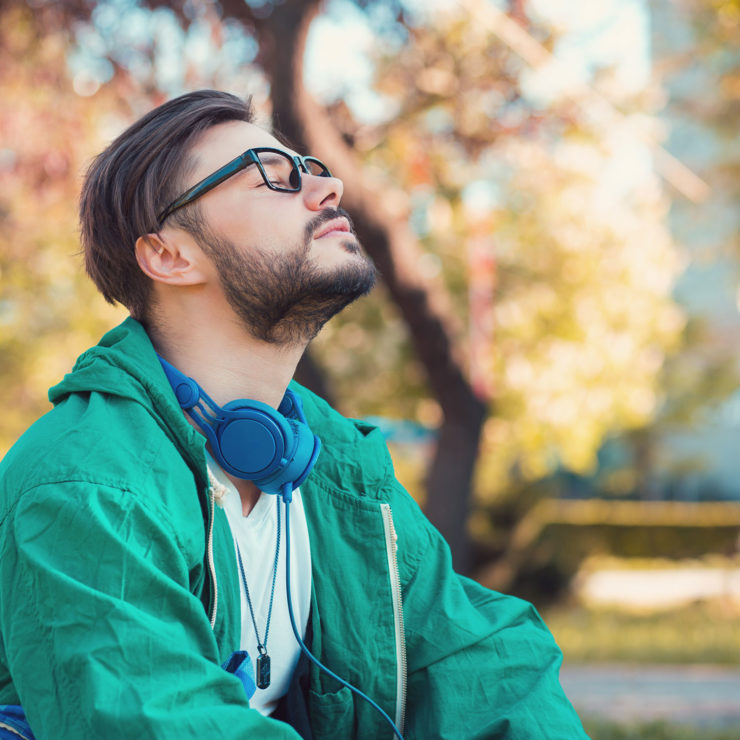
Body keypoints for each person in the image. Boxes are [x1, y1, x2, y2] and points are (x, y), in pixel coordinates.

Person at [0, 90, 588, 739]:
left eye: (312, 168)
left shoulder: (339, 465)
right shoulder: (85, 483)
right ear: (170, 255)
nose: (328, 187)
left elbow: (486, 664)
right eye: (273, 177)